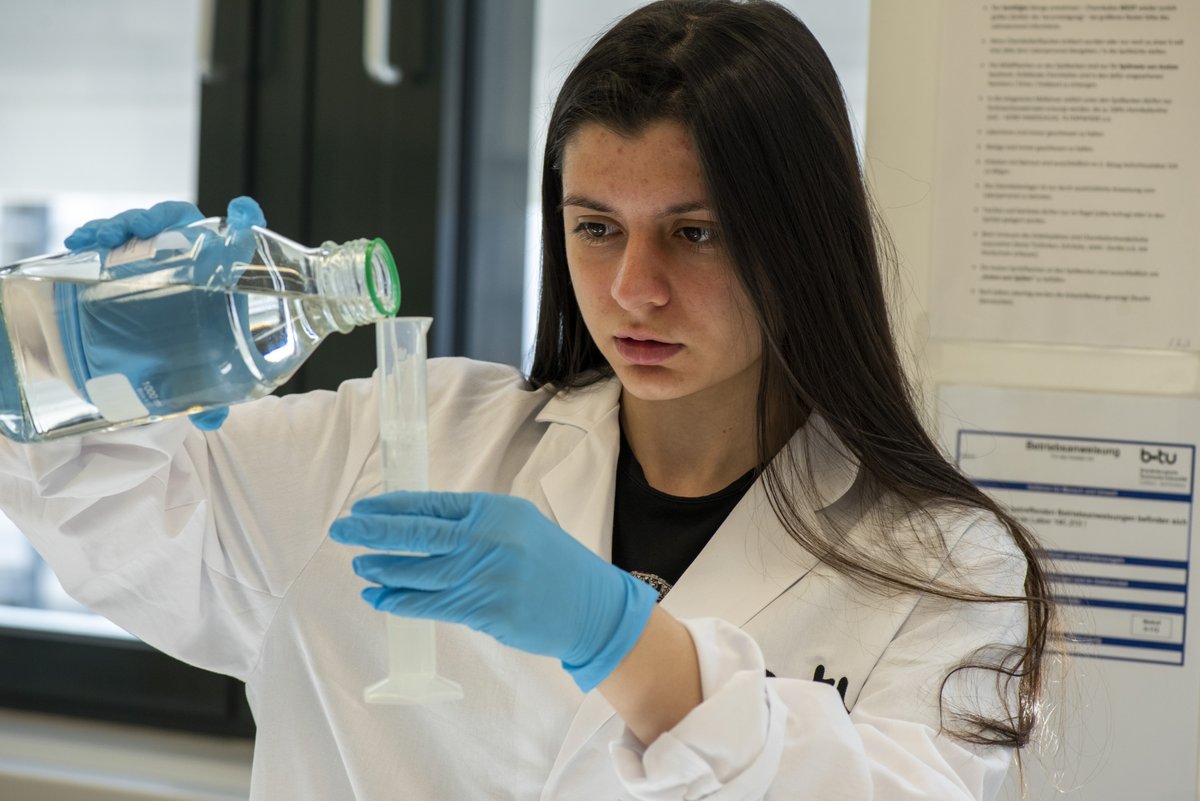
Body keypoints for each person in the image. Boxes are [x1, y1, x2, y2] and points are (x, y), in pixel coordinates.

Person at [0, 1, 1055, 798]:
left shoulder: (944, 565)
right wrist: (90, 341)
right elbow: (102, 498)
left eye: (696, 232)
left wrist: (624, 642)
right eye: (596, 227)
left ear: (802, 239)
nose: (634, 289)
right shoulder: (401, 441)